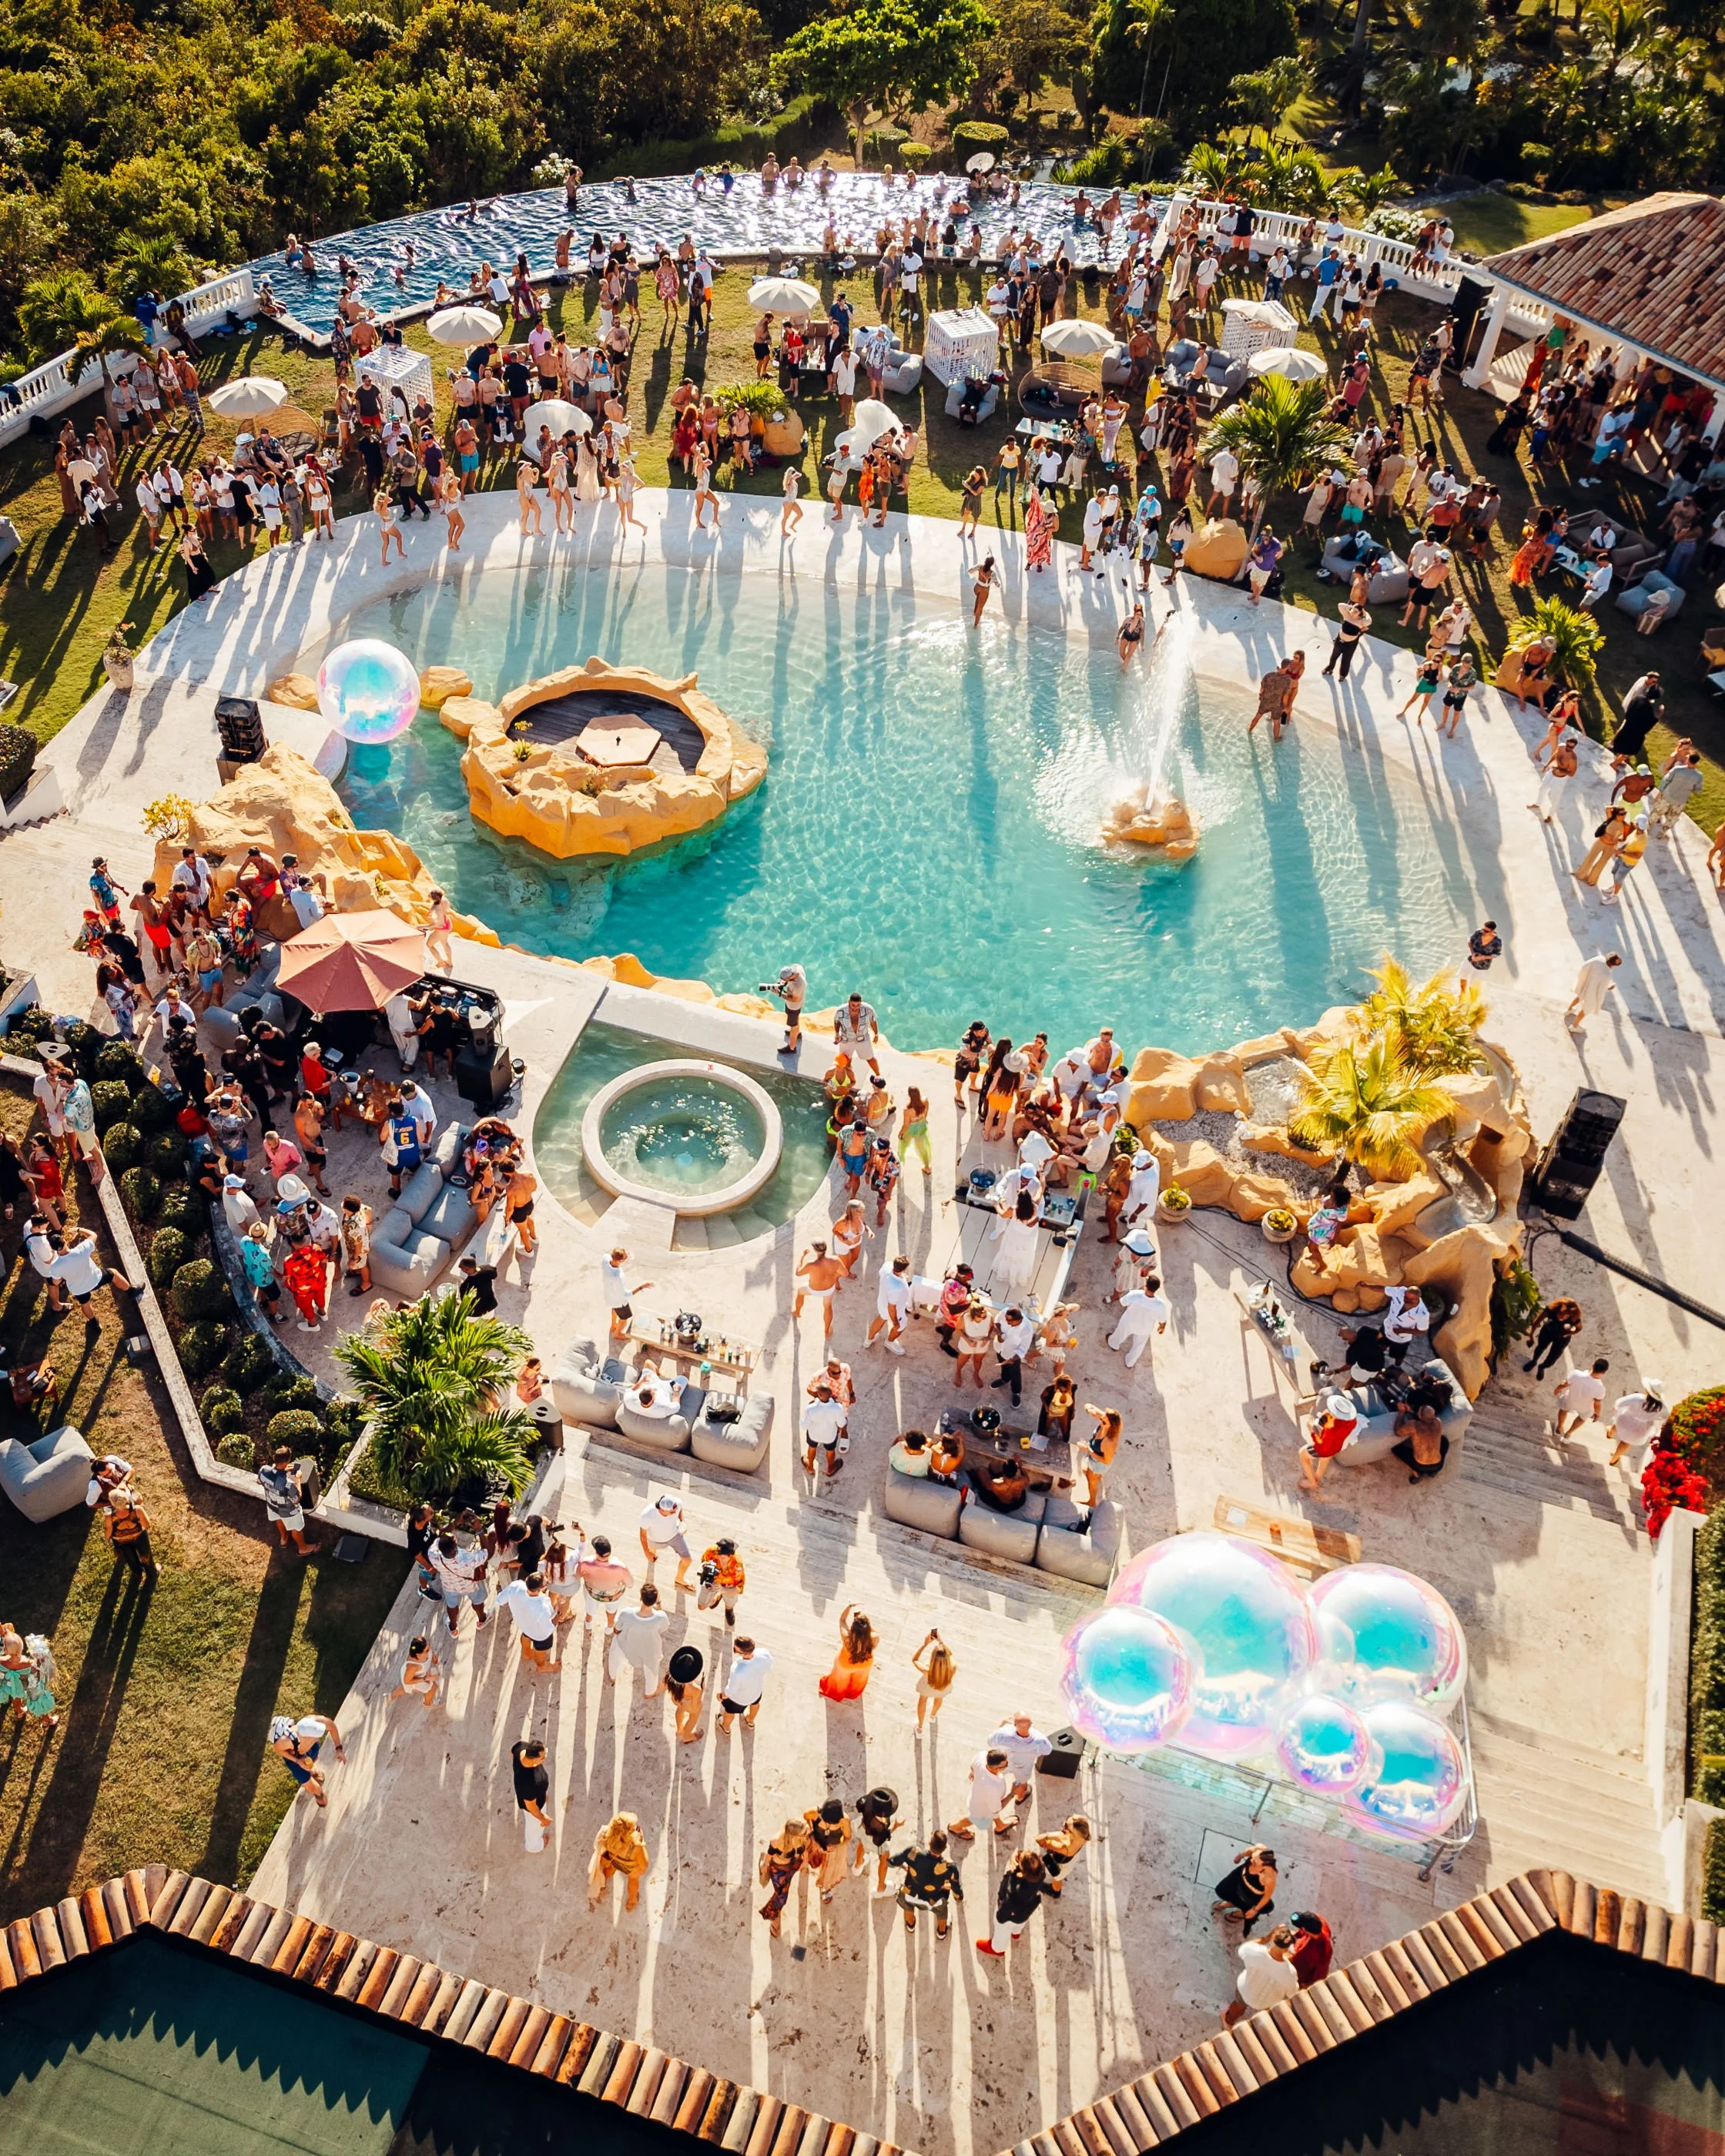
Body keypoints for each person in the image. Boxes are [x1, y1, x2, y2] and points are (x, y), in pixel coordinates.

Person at [978, 1850, 1056, 1959]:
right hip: (1027, 1909)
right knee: (1019, 1924)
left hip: (1010, 1916)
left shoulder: (1015, 1890)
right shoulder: (1040, 1872)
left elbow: (1004, 1912)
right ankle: (1016, 1933)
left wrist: (999, 1919)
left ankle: (997, 1949)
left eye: (1019, 1858)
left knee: (1002, 1930)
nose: (1018, 1854)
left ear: (1022, 1872)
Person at [889, 1831, 964, 1939]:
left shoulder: (914, 1853)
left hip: (911, 1894)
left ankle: (910, 1925)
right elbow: (956, 1889)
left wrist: (905, 1866)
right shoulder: (950, 1868)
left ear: (930, 1843)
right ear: (944, 1848)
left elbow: (893, 1861)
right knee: (942, 1912)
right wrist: (959, 1898)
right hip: (934, 1899)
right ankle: (941, 1933)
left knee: (907, 1904)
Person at [1224, 1923, 1300, 2027]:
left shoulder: (1253, 1951)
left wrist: (1266, 1938)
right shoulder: (1290, 1972)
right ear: (1287, 1949)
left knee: (1238, 2006)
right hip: (1265, 2002)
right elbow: (1292, 1992)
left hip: (1246, 1989)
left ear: (1273, 1938)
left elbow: (1244, 1948)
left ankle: (1229, 2021)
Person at [269, 1711, 344, 1809]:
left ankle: (312, 1772)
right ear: (303, 1737)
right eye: (312, 1738)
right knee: (312, 1787)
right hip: (295, 1759)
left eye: (316, 1737)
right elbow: (277, 1749)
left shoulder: (318, 1721)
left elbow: (332, 1727)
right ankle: (319, 1796)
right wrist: (297, 1761)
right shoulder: (287, 1742)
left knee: (314, 1759)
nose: (315, 1739)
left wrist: (339, 1749)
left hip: (307, 1751)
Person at [608, 1582, 670, 1695]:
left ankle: (612, 1677)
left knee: (614, 1657)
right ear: (656, 1600)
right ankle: (650, 1693)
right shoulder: (661, 1617)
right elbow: (663, 1629)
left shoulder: (626, 1613)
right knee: (652, 1672)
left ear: (640, 1597)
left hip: (626, 1646)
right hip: (649, 1651)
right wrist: (659, 1603)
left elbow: (616, 1629)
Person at [494, 1569, 559, 1670]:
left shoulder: (515, 1586)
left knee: (526, 1636)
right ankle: (542, 1666)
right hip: (539, 1635)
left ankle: (526, 1653)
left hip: (523, 1624)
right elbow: (547, 1630)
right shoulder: (543, 1608)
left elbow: (500, 1600)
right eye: (546, 1584)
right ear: (540, 1590)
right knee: (540, 1650)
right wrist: (558, 1616)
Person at [950, 1746, 1016, 1840]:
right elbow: (996, 1809)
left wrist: (974, 1772)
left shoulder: (982, 1756)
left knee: (991, 1808)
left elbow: (973, 1765)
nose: (1007, 1765)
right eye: (1005, 1765)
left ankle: (1000, 1825)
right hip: (981, 1808)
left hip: (981, 1797)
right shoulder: (991, 1788)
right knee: (976, 1818)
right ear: (996, 1768)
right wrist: (1012, 1794)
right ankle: (955, 1827)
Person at [259, 1445, 315, 1555]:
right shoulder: (287, 1485)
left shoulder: (263, 1470)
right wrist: (298, 1479)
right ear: (287, 1461)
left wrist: (282, 1471)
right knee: (296, 1528)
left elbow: (260, 1481)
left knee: (279, 1519)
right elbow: (296, 1499)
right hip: (288, 1511)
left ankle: (284, 1538)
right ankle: (303, 1548)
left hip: (272, 1506)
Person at [759, 1817, 811, 1936]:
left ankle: (775, 1915)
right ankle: (774, 1920)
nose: (806, 1834)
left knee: (781, 1894)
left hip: (794, 1864)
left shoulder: (802, 1836)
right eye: (803, 1833)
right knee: (781, 1896)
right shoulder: (777, 1840)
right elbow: (768, 1857)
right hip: (780, 1870)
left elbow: (804, 1850)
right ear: (793, 1835)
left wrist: (804, 1862)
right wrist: (764, 1870)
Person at [990, 1710, 1053, 1808]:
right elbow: (1048, 1751)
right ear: (1031, 1724)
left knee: (995, 1777)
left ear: (1014, 1724)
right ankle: (1019, 1799)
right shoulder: (1040, 1740)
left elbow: (991, 1741)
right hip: (1023, 1767)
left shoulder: (1004, 1733)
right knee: (1022, 1784)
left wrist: (1002, 1723)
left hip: (1004, 1764)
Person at [430, 1531, 490, 1632]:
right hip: (471, 1586)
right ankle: (482, 1619)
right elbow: (486, 1552)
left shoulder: (433, 1554)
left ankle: (453, 1628)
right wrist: (479, 1531)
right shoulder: (467, 1559)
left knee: (452, 1605)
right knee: (477, 1601)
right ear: (455, 1546)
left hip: (449, 1586)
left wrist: (454, 1524)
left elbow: (439, 1538)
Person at [1212, 1843, 1277, 1935]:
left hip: (1252, 1892)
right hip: (1240, 1876)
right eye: (1253, 1858)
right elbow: (1251, 1851)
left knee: (1254, 1907)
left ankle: (1240, 1913)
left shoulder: (1269, 1877)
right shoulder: (1260, 1850)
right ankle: (1231, 1903)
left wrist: (1254, 1910)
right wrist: (1240, 1856)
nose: (1252, 1861)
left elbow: (1267, 1896)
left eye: (1255, 1863)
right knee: (1222, 1890)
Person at [1107, 1276, 1170, 1369]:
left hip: (1129, 1322)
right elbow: (1162, 1321)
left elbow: (1122, 1302)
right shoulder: (1161, 1304)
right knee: (1138, 1346)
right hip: (1145, 1328)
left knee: (1119, 1334)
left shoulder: (1135, 1294)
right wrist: (1162, 1328)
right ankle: (1130, 1362)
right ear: (1156, 1289)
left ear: (1146, 1286)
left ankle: (1113, 1345)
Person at [819, 1604, 876, 1701]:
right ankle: (853, 1693)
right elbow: (871, 1634)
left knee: (840, 1680)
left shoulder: (847, 1639)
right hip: (865, 1662)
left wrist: (849, 1606)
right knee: (859, 1680)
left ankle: (837, 1693)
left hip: (846, 1663)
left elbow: (842, 1620)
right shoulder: (874, 1638)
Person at [638, 1491, 695, 1590]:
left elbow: (680, 1510)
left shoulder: (676, 1504)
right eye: (672, 1512)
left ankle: (680, 1579)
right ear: (662, 1510)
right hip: (654, 1540)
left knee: (688, 1560)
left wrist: (683, 1521)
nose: (675, 1512)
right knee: (651, 1559)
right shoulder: (647, 1515)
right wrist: (647, 1552)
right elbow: (643, 1534)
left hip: (674, 1536)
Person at [1606, 1381, 1666, 1468]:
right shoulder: (1661, 1408)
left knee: (1618, 1423)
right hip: (1639, 1430)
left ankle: (1610, 1434)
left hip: (1625, 1421)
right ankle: (1614, 1459)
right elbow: (1664, 1418)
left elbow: (1619, 1403)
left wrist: (1615, 1410)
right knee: (1626, 1442)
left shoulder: (1637, 1398)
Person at [718, 1634, 772, 1729]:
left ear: (742, 1653)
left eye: (735, 1650)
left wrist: (721, 1696)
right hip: (756, 1691)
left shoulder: (737, 1670)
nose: (734, 1650)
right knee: (755, 1704)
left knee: (729, 1711)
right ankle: (750, 1721)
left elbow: (731, 1691)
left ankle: (725, 1727)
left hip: (740, 1699)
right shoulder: (764, 1653)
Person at [802, 1373, 849, 1478]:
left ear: (818, 1395)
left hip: (813, 1435)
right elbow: (842, 1424)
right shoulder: (838, 1408)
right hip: (830, 1436)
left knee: (812, 1447)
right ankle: (830, 1468)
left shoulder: (810, 1408)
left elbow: (804, 1425)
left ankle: (810, 1467)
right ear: (831, 1394)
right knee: (830, 1451)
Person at [102, 1488, 157, 1578]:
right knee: (145, 1555)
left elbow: (108, 1533)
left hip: (122, 1541)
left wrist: (107, 1539)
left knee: (130, 1558)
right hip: (139, 1536)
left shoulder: (109, 1517)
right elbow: (147, 1525)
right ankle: (151, 1573)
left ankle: (138, 1573)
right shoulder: (137, 1510)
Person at [1524, 1297, 1583, 1378]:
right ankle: (1534, 1361)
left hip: (1562, 1338)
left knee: (1553, 1358)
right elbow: (1537, 1321)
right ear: (1560, 1308)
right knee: (1540, 1348)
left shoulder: (1574, 1317)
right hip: (1548, 1331)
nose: (1563, 1317)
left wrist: (1569, 1333)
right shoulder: (1551, 1310)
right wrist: (1531, 1336)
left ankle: (1542, 1367)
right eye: (1562, 1313)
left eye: (1567, 1315)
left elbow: (1579, 1328)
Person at [1566, 951, 1623, 1032]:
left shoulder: (1599, 959)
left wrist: (1583, 977)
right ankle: (1574, 1026)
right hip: (1592, 992)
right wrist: (1609, 988)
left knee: (1579, 997)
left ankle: (1569, 1010)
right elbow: (1602, 989)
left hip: (1586, 983)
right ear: (1614, 965)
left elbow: (1585, 966)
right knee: (1586, 1009)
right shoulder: (1607, 974)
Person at [1554, 1355, 1611, 1436]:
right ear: (1604, 1372)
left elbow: (1564, 1384)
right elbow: (1597, 1404)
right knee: (1581, 1419)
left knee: (1563, 1411)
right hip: (1585, 1408)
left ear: (1592, 1365)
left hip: (1570, 1401)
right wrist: (1597, 1414)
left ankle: (1559, 1429)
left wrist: (1558, 1389)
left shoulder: (1576, 1374)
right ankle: (1568, 1433)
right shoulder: (1600, 1389)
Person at [602, 1247, 649, 1343]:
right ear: (620, 1261)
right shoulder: (617, 1276)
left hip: (610, 1295)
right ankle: (617, 1334)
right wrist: (641, 1287)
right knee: (625, 1317)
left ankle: (613, 1325)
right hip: (619, 1300)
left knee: (614, 1308)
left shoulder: (605, 1259)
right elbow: (626, 1294)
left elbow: (608, 1256)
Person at [513, 1739, 553, 1853]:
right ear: (533, 1760)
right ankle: (535, 1846)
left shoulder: (521, 1747)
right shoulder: (529, 1784)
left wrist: (542, 1794)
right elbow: (531, 1807)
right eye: (542, 1757)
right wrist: (543, 1818)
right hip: (534, 1808)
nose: (545, 1759)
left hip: (536, 1796)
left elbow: (512, 1752)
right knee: (534, 1828)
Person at [1037, 1814, 1091, 1894]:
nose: (1064, 1823)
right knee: (1060, 1878)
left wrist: (1050, 1835)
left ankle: (1055, 1892)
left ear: (1071, 1834)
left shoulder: (1064, 1846)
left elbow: (1039, 1840)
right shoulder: (1083, 1836)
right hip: (1070, 1860)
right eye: (1068, 1818)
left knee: (1058, 1879)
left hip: (1060, 1867)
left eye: (1066, 1826)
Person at [913, 1629, 956, 1729]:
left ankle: (919, 1727)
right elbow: (951, 1654)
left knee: (923, 1701)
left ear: (932, 1658)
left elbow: (914, 1659)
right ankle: (932, 1716)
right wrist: (941, 1642)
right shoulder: (953, 1668)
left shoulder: (928, 1671)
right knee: (939, 1698)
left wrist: (925, 1644)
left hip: (927, 1689)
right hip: (943, 1688)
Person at [389, 1634, 443, 1709]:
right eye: (427, 1650)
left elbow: (432, 1657)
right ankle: (428, 1704)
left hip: (418, 1674)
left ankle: (391, 1696)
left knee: (405, 1689)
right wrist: (426, 1679)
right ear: (418, 1655)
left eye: (429, 1647)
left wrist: (433, 1657)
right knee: (432, 1688)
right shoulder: (413, 1666)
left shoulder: (424, 1652)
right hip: (413, 1679)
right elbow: (407, 1681)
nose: (429, 1650)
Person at [667, 1642, 705, 1741]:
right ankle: (687, 1736)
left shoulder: (670, 1677)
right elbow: (694, 1706)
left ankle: (679, 1729)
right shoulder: (696, 1689)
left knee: (680, 1710)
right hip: (689, 1702)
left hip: (677, 1699)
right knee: (694, 1715)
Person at [1289, 1910, 1334, 1987]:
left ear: (1306, 1930)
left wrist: (1306, 1985)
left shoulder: (1322, 1952)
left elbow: (1321, 1975)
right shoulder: (1319, 1921)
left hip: (1298, 1977)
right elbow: (1300, 1933)